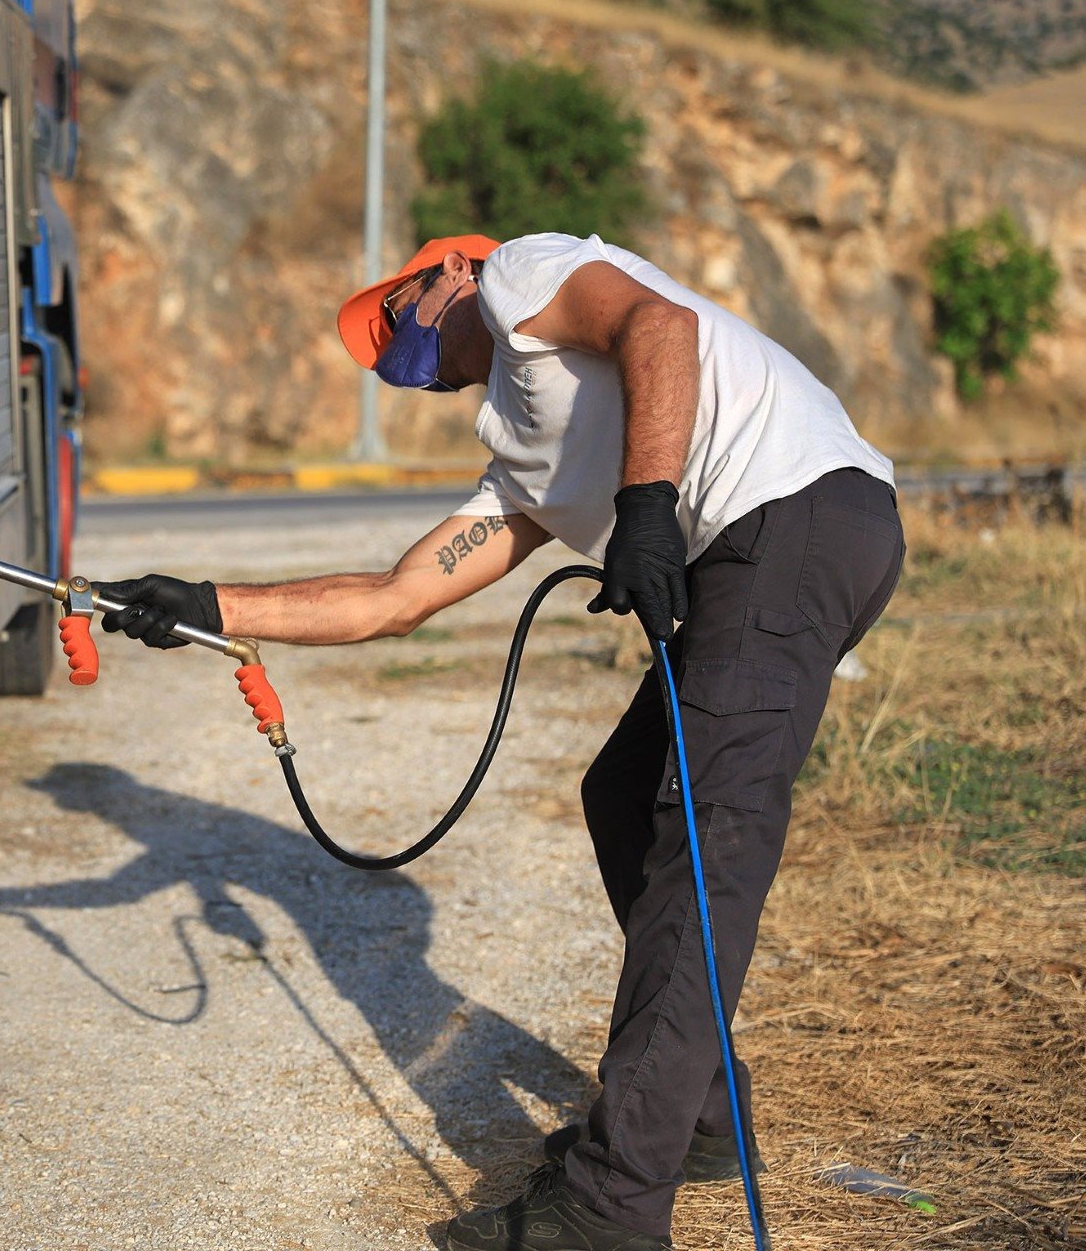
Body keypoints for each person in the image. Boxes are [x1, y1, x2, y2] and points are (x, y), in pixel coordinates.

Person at [94, 232, 904, 1251]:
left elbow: (663, 326)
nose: (394, 342)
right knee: (625, 795)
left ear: (453, 273)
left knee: (709, 838)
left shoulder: (526, 269)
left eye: (399, 309)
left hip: (797, 515)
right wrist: (204, 603)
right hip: (764, 547)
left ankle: (610, 1209)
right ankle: (698, 1115)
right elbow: (394, 598)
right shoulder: (524, 463)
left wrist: (645, 510)